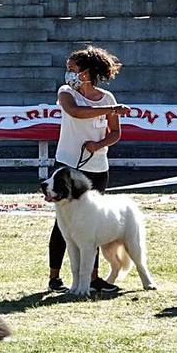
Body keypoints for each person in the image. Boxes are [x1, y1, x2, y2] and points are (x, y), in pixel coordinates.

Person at [46, 46, 128, 294]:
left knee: (90, 222)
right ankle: (55, 277)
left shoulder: (107, 98)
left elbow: (115, 132)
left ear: (87, 71)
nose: (68, 73)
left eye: (73, 69)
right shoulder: (66, 92)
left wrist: (99, 144)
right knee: (63, 223)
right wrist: (110, 111)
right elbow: (76, 112)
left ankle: (91, 277)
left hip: (97, 168)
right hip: (68, 166)